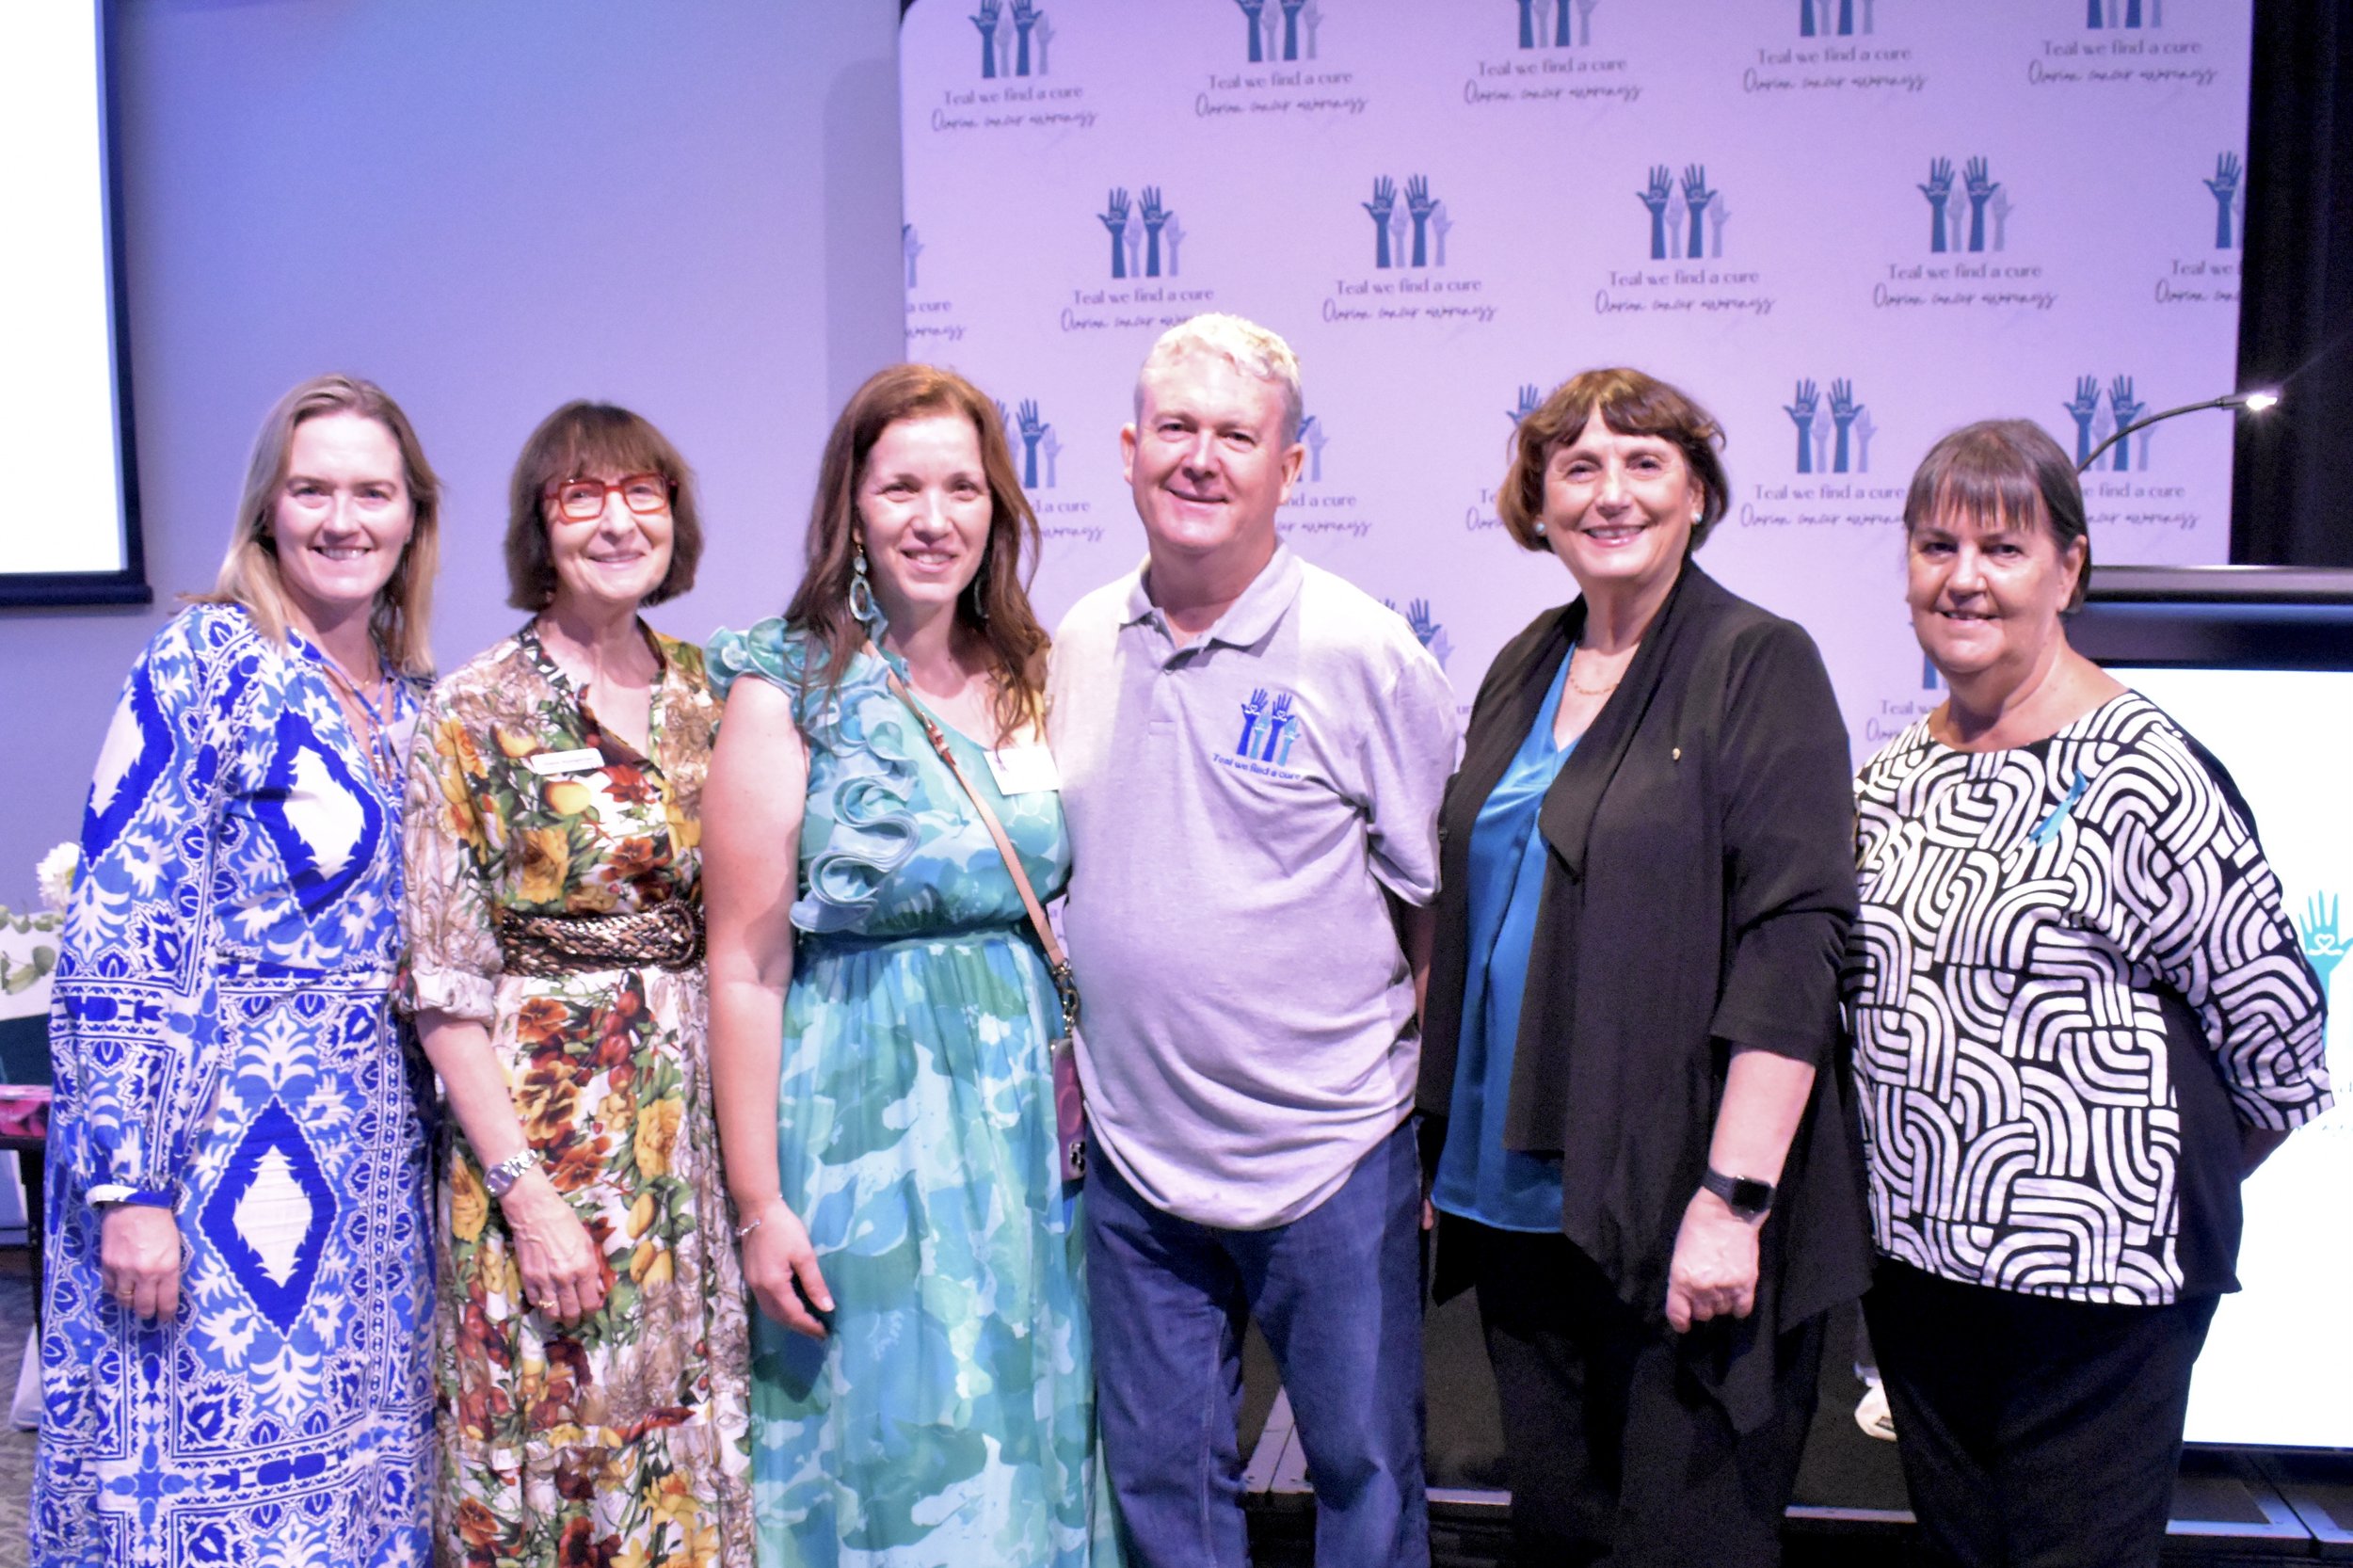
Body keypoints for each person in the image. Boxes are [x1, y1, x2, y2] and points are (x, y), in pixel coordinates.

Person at [1847, 419, 2332, 1568]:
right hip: (1917, 1281)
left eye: (2001, 548)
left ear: (2068, 569)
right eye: (1934, 546)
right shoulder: (1891, 775)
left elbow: (2277, 1047)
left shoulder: (2147, 775)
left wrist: (2115, 1177)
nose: (1962, 579)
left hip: (2100, 1296)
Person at [1416, 368, 1870, 1567]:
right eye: (1578, 468)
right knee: (1559, 1541)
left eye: (1643, 464)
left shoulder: (1757, 661)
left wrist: (1734, 1200)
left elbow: (1798, 936)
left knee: (1684, 1543)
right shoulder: (1527, 660)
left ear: (1697, 492)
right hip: (1516, 1207)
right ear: (1537, 503)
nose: (1609, 493)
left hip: (1682, 1205)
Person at [1048, 314, 1456, 1568]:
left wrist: (1420, 1128)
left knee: (1365, 1485)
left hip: (1333, 1154)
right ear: (1126, 450)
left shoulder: (1362, 650)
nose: (1201, 459)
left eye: (1238, 434)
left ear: (1292, 466)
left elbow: (1434, 898)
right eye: (1176, 428)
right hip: (1138, 1164)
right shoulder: (1074, 641)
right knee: (1170, 1501)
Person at [700, 363, 1114, 1566]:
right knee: (890, 1439)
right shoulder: (788, 687)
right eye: (901, 489)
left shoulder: (1038, 672)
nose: (934, 518)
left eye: (961, 487)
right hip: (862, 1127)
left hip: (1030, 1131)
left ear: (997, 507)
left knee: (1030, 1420)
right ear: (852, 506)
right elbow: (743, 962)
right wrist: (761, 1201)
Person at [34, 375, 441, 1565]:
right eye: (311, 489)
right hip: (216, 1164)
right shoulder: (205, 659)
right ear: (267, 508)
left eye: (373, 490)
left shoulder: (414, 700)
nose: (342, 517)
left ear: (414, 514)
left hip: (373, 1176)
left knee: (356, 1490)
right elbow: (124, 926)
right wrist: (131, 1184)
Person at [402, 402, 750, 1565]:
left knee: (682, 1435)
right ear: (538, 529)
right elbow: (445, 984)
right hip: (551, 1137)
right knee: (562, 1423)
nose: (617, 520)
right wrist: (525, 1193)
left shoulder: (717, 695)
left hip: (690, 1136)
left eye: (642, 493)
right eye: (581, 497)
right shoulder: (475, 707)